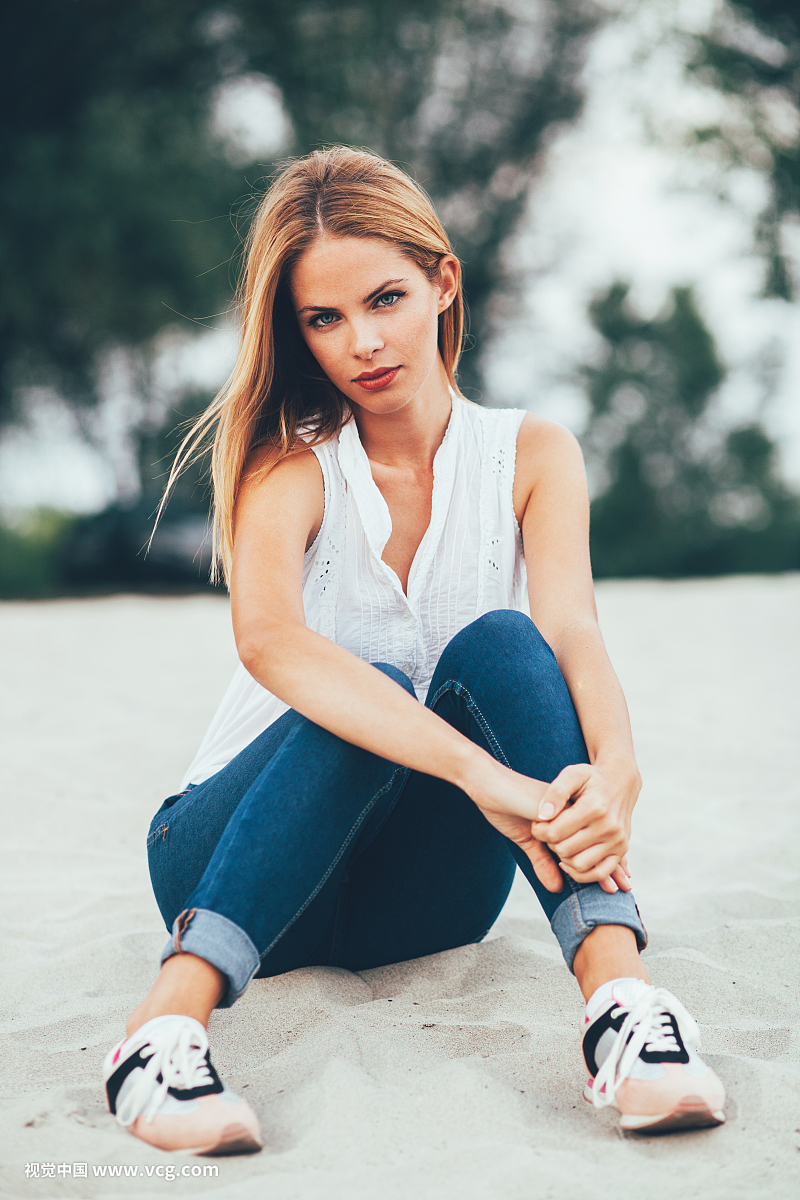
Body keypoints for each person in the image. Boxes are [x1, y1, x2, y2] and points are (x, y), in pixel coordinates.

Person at [102, 147, 725, 1156]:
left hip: (420, 904)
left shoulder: (531, 454)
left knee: (506, 642)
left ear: (442, 281)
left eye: (385, 298)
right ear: (295, 332)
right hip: (229, 864)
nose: (362, 341)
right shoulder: (289, 471)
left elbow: (572, 631)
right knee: (370, 690)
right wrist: (488, 778)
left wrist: (615, 772)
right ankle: (161, 1029)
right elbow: (268, 643)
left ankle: (625, 1014)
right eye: (323, 318)